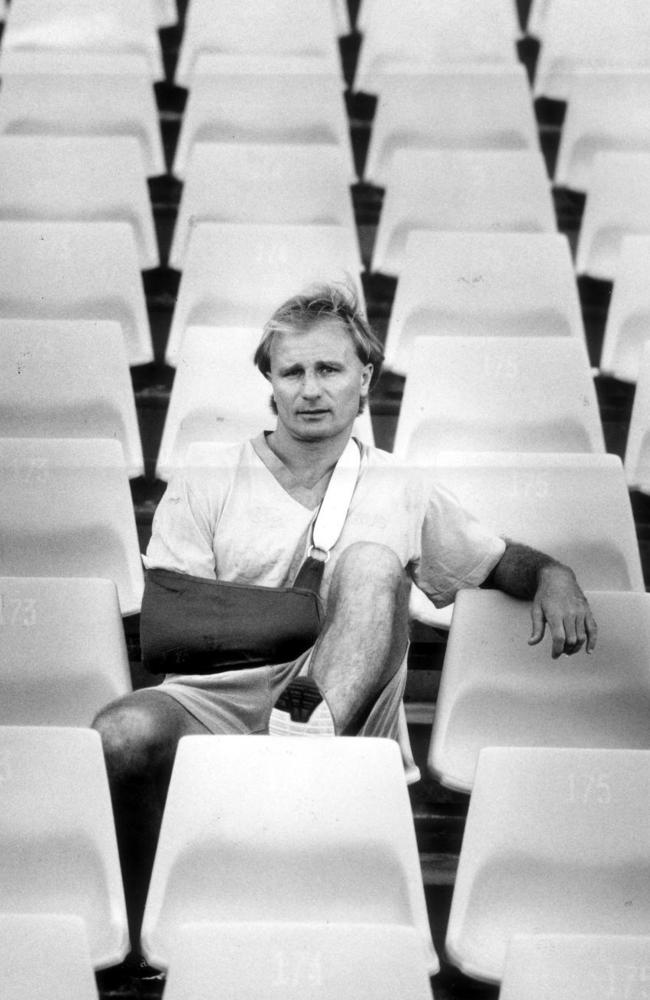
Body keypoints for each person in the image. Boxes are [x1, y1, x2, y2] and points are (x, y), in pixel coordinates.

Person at [93, 282, 597, 973]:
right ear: (268, 382)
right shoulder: (207, 474)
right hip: (216, 700)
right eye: (292, 370)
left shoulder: (402, 485)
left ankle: (307, 721)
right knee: (118, 733)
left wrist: (554, 575)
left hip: (349, 709)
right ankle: (149, 936)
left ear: (366, 379)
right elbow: (174, 629)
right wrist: (299, 625)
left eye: (329, 369)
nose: (310, 388)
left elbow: (499, 561)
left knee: (369, 561)